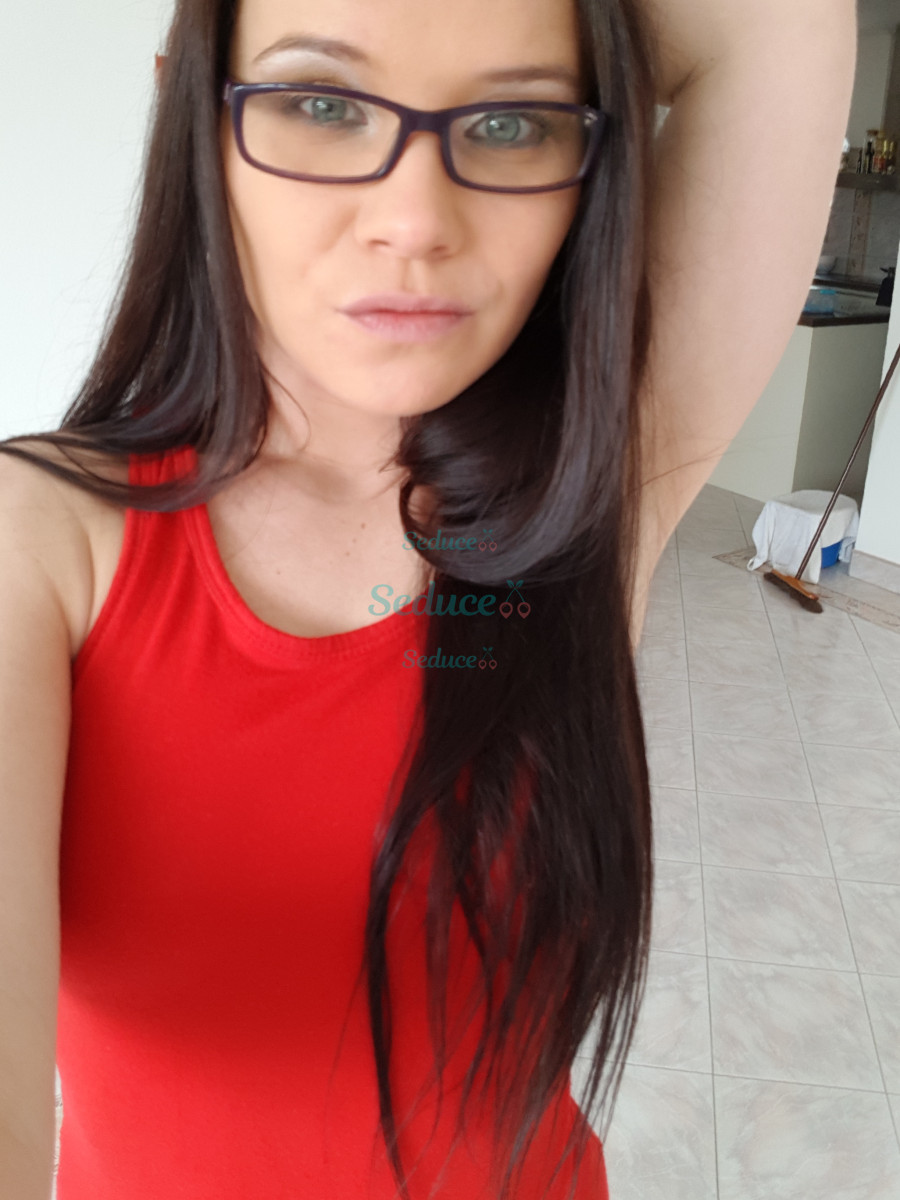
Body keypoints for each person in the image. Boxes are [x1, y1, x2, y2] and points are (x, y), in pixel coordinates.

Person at [0, 0, 855, 1196]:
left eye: (511, 122)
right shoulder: (39, 541)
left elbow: (783, 28)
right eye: (321, 104)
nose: (414, 221)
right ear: (196, 118)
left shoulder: (580, 502)